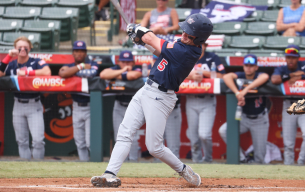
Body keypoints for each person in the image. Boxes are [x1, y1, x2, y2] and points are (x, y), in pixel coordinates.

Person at [90, 13, 213, 187]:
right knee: (125, 132)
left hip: (161, 97)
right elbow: (160, 52)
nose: (184, 34)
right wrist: (142, 42)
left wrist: (138, 29)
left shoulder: (188, 52)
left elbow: (151, 37)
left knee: (154, 147)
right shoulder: (183, 44)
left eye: (189, 34)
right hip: (146, 90)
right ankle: (109, 174)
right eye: (184, 31)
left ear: (199, 39)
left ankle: (184, 170)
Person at [0, 36, 51, 159]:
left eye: (25, 46)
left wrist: (27, 72)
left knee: (37, 140)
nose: (22, 49)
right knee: (22, 141)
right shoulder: (12, 64)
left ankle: (38, 169)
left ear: (30, 48)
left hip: (34, 103)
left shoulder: (35, 61)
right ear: (15, 48)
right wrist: (9, 55)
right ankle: (26, 171)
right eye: (19, 47)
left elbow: (47, 72)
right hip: (18, 104)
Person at [219, 54, 270, 164]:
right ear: (243, 66)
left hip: (260, 120)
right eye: (246, 65)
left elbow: (265, 76)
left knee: (260, 157)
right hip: (244, 118)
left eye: (251, 65)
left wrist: (246, 89)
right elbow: (226, 77)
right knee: (223, 130)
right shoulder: (241, 75)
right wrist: (238, 93)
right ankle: (242, 158)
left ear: (256, 67)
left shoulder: (259, 75)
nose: (248, 68)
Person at [271, 45, 305, 165]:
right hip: (289, 105)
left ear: (298, 58)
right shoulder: (282, 68)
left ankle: (300, 162)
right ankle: (288, 166)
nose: (290, 60)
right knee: (288, 143)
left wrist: (298, 77)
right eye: (288, 57)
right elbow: (274, 80)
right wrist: (291, 76)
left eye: (293, 57)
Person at [58, 41, 99, 161]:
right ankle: (84, 168)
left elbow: (92, 73)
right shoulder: (70, 65)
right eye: (76, 51)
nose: (79, 53)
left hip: (91, 106)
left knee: (90, 143)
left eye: (81, 51)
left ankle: (95, 166)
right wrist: (80, 67)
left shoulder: (93, 63)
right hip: (76, 106)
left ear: (85, 53)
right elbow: (63, 73)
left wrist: (73, 72)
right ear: (73, 53)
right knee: (80, 142)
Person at [185, 42, 225, 163]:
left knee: (204, 134)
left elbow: (222, 76)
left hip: (207, 99)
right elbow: (177, 72)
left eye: (201, 44)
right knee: (194, 138)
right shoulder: (187, 57)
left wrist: (203, 73)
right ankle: (196, 162)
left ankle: (208, 160)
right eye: (197, 44)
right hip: (191, 99)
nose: (199, 46)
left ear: (205, 46)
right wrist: (192, 76)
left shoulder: (212, 58)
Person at [99, 50, 142, 161]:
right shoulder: (117, 68)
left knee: (133, 137)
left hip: (134, 107)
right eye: (123, 62)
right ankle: (121, 164)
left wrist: (115, 75)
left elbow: (133, 75)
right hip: (119, 106)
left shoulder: (138, 68)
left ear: (133, 62)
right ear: (118, 62)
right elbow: (103, 74)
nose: (126, 64)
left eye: (128, 62)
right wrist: (123, 71)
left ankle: (133, 162)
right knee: (119, 137)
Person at [148, 55, 182, 159]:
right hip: (155, 109)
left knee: (173, 144)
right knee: (155, 145)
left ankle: (176, 169)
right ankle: (158, 171)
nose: (157, 62)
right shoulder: (150, 73)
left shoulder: (173, 68)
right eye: (155, 59)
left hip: (171, 109)